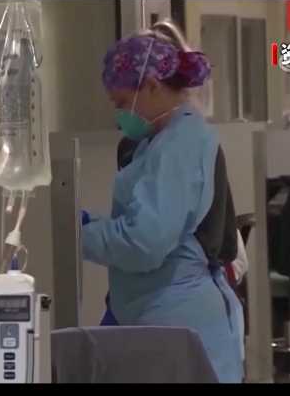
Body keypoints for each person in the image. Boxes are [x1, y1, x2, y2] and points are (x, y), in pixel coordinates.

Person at [81, 21, 244, 382]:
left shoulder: (181, 143)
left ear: (153, 86)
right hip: (158, 315)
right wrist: (94, 225)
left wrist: (80, 236)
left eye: (122, 103)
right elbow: (149, 218)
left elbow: (145, 242)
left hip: (179, 321)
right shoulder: (157, 142)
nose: (119, 115)